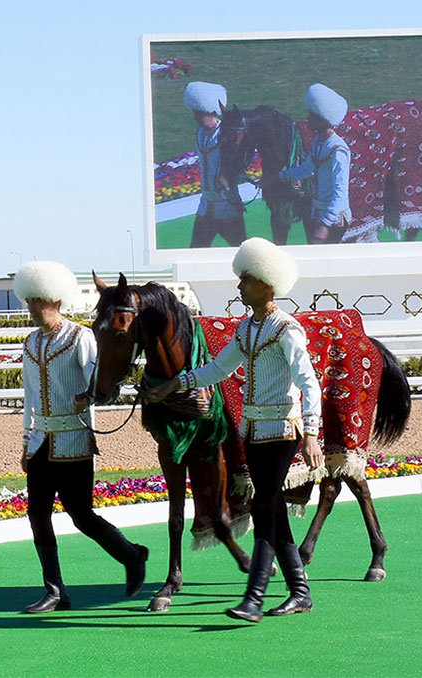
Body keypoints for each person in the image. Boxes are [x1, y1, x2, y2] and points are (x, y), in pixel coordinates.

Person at [145, 237, 323, 623]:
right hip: (254, 431)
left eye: (246, 279)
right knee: (271, 507)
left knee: (262, 507)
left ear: (266, 284)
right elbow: (217, 370)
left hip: (283, 430)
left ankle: (254, 599)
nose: (239, 285)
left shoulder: (286, 329)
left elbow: (309, 382)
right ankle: (300, 592)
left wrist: (311, 432)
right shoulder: (248, 328)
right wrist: (175, 384)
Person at [15, 261, 149, 613]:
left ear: (56, 300)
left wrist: (87, 398)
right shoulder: (30, 344)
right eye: (29, 301)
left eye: (37, 301)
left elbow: (99, 382)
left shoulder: (80, 337)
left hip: (74, 440)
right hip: (42, 440)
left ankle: (132, 555)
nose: (31, 308)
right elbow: (29, 396)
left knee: (81, 515)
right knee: (37, 514)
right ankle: (55, 590)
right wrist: (26, 440)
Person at [279, 83, 351, 244]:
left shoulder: (338, 151)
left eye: (312, 116)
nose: (308, 119)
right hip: (318, 214)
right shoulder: (319, 142)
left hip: (334, 221)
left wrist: (325, 225)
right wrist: (280, 177)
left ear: (323, 120)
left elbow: (341, 193)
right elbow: (308, 169)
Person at [184, 81, 246, 248]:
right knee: (195, 252)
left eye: (198, 114)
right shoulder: (200, 134)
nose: (194, 117)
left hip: (227, 207)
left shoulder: (228, 136)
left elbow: (238, 165)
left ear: (212, 112)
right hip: (206, 207)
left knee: (240, 253)